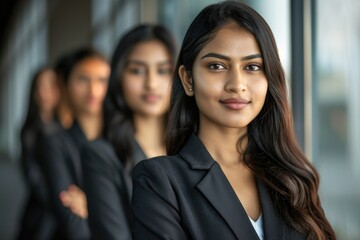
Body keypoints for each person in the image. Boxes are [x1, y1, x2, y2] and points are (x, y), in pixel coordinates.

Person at [131, 2, 336, 240]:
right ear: (188, 79)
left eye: (252, 66)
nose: (237, 84)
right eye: (217, 66)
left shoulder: (293, 178)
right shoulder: (160, 181)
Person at [81, 24, 176, 239]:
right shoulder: (101, 155)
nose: (151, 83)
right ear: (119, 77)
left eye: (163, 71)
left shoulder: (194, 148)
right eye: (137, 70)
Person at [38, 47, 110, 239]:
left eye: (102, 80)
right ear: (66, 84)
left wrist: (92, 207)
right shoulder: (56, 142)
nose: (93, 90)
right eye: (82, 79)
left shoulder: (121, 139)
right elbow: (74, 226)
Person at [17, 67, 60, 240]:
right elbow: (34, 179)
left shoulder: (67, 128)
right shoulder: (30, 131)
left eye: (51, 85)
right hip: (42, 210)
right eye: (39, 86)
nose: (45, 92)